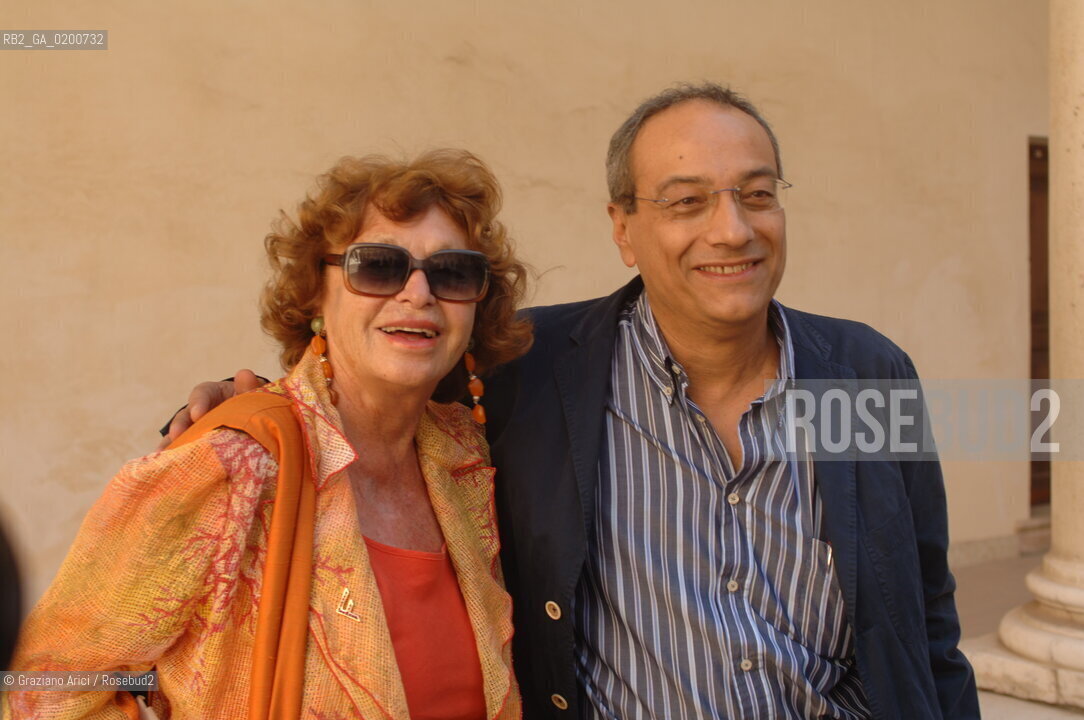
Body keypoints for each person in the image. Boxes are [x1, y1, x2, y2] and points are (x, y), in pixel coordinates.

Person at [166, 83, 979, 719]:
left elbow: (928, 621)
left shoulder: (869, 372)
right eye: (687, 201)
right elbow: (387, 360)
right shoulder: (532, 366)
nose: (732, 230)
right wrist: (254, 403)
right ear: (622, 228)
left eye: (757, 194)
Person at [7, 149, 531, 719]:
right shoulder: (233, 461)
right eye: (378, 266)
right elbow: (43, 682)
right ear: (315, 293)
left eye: (453, 272)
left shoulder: (469, 459)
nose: (418, 293)